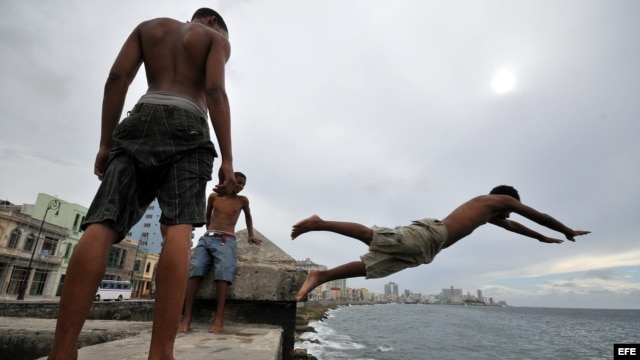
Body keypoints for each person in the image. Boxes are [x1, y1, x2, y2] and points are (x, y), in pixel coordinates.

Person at [48, 8, 235, 360]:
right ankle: (161, 353)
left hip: (141, 116)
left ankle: (62, 350)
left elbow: (117, 79)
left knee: (102, 224)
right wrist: (227, 157)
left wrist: (106, 142)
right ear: (211, 22)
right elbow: (214, 90)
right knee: (178, 230)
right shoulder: (213, 39)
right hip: (190, 123)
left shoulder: (149, 28)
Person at [291, 185, 590, 302]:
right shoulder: (498, 200)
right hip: (432, 234)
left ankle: (321, 277)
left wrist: (541, 238)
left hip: (429, 249)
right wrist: (566, 230)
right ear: (507, 199)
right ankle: (321, 223)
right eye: (509, 208)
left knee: (375, 266)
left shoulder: (491, 215)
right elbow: (537, 215)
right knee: (377, 237)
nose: (508, 213)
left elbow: (514, 225)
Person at [179, 172, 262, 334]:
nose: (240, 186)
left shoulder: (242, 200)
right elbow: (208, 214)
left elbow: (248, 217)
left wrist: (251, 234)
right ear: (229, 181)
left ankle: (219, 317)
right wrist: (209, 230)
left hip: (227, 239)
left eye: (243, 185)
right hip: (208, 238)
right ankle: (187, 317)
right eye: (238, 183)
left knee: (223, 272)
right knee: (195, 269)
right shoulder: (214, 197)